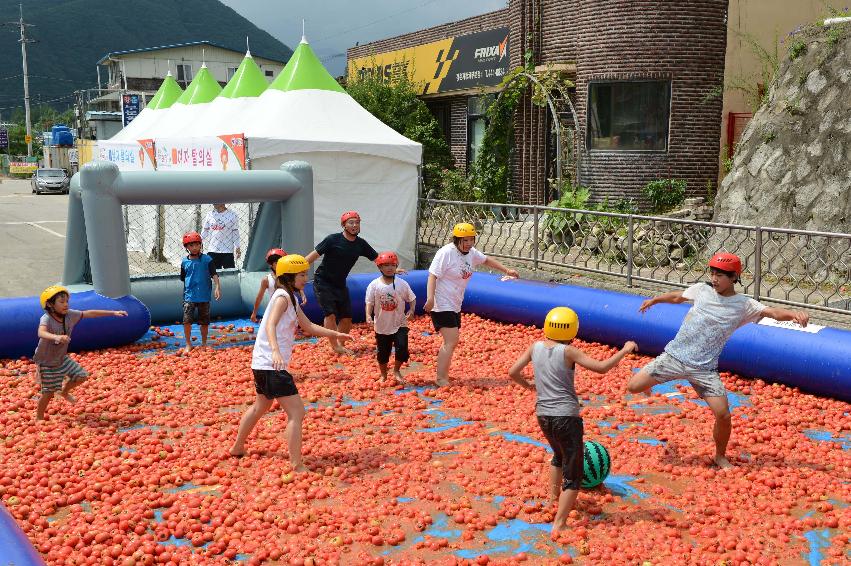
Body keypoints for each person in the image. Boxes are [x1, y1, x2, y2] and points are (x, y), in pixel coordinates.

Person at [627, 252, 810, 468]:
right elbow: (678, 296)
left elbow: (772, 312)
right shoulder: (702, 290)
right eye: (712, 273)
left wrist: (795, 314)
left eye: (720, 275)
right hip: (674, 357)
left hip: (704, 369)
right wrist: (655, 300)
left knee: (723, 414)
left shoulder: (744, 305)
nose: (714, 279)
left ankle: (720, 456)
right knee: (633, 387)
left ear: (734, 277)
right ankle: (649, 383)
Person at [508, 307, 637, 537]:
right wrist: (625, 350)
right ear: (573, 329)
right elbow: (601, 368)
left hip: (543, 416)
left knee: (558, 456)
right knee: (574, 472)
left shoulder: (535, 347)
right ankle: (560, 524)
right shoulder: (568, 351)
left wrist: (528, 386)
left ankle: (552, 500)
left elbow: (513, 372)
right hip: (566, 417)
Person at [230, 254, 352, 468]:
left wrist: (336, 335)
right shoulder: (282, 298)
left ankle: (237, 447)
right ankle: (296, 464)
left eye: (306, 273)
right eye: (302, 274)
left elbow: (309, 327)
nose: (306, 278)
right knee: (297, 412)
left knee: (261, 406)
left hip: (261, 364)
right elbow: (269, 325)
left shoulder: (290, 297)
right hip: (272, 364)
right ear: (288, 277)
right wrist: (276, 351)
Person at [424, 222, 519, 386]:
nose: (468, 243)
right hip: (441, 302)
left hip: (455, 303)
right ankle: (440, 378)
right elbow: (432, 276)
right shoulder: (446, 253)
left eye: (471, 239)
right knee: (451, 340)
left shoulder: (470, 253)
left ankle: (444, 374)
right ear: (456, 240)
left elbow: (486, 260)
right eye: (465, 240)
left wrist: (506, 270)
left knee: (451, 341)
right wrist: (430, 298)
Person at [33, 285, 127, 420]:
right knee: (48, 393)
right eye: (61, 301)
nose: (66, 304)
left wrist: (113, 312)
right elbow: (41, 332)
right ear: (50, 304)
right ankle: (39, 418)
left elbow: (90, 313)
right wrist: (57, 337)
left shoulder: (70, 315)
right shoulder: (47, 318)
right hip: (46, 362)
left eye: (67, 301)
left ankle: (64, 392)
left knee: (81, 376)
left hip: (61, 358)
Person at [305, 211, 382, 355]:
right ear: (344, 225)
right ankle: (334, 345)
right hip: (323, 281)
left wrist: (392, 268)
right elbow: (312, 256)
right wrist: (297, 269)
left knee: (347, 318)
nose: (354, 225)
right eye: (350, 222)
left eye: (357, 222)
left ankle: (340, 345)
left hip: (340, 284)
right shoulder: (332, 240)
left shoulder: (361, 244)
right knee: (330, 315)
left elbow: (377, 259)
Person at [365, 251, 417, 384]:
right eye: (385, 265)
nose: (389, 268)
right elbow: (369, 302)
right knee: (383, 353)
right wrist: (367, 315)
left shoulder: (402, 284)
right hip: (382, 325)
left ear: (396, 266)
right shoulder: (374, 285)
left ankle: (396, 370)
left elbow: (412, 298)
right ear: (379, 267)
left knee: (402, 348)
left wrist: (411, 310)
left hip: (400, 323)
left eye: (392, 265)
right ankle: (383, 374)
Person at [180, 231, 221, 353]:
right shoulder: (184, 262)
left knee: (204, 322)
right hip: (189, 296)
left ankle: (204, 343)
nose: (194, 248)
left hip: (204, 296)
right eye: (191, 245)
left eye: (196, 245)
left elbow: (214, 274)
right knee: (187, 321)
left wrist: (217, 287)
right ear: (187, 247)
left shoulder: (207, 260)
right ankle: (188, 344)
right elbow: (183, 277)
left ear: (200, 245)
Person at [249, 248, 306, 323]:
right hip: (276, 309)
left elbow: (296, 285)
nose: (278, 265)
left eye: (280, 262)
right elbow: (259, 297)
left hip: (289, 308)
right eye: (276, 263)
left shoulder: (289, 277)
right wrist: (254, 313)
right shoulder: (266, 280)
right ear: (271, 264)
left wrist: (302, 294)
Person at [201, 203, 241, 270]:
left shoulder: (232, 215)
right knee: (212, 274)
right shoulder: (210, 214)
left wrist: (237, 246)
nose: (214, 203)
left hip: (227, 250)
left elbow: (235, 232)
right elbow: (205, 230)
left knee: (229, 274)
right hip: (212, 250)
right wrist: (199, 242)